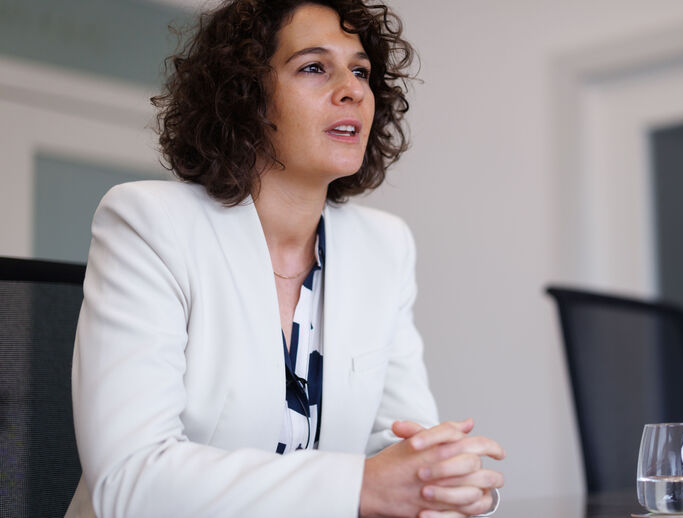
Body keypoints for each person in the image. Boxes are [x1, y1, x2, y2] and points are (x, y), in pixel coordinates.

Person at [64, 1, 505, 517]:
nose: (353, 89)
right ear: (244, 97)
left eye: (360, 71)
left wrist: (442, 478)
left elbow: (398, 439)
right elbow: (130, 479)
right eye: (314, 67)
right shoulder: (149, 223)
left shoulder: (384, 247)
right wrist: (359, 488)